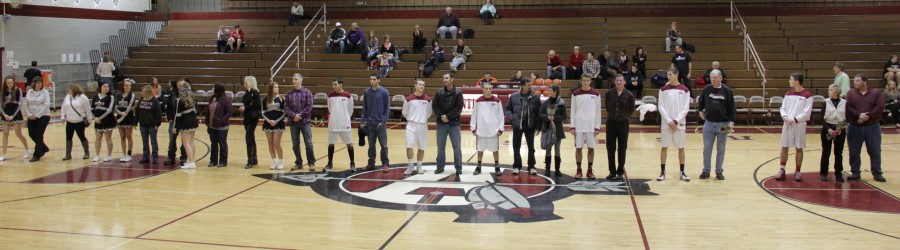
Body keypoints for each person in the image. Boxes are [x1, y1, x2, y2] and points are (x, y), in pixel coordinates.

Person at [846, 74, 886, 182]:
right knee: (854, 151)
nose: (855, 83)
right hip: (855, 126)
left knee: (875, 150)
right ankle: (855, 172)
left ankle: (877, 172)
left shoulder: (875, 93)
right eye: (854, 81)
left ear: (865, 82)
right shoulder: (850, 93)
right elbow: (848, 106)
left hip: (872, 126)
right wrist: (858, 115)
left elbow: (880, 106)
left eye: (857, 81)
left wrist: (868, 116)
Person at [698, 70, 735, 180]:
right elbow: (701, 102)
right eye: (711, 77)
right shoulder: (707, 89)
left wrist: (731, 121)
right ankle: (706, 171)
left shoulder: (727, 91)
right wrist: (700, 111)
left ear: (720, 78)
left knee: (721, 149)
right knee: (707, 149)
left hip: (723, 124)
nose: (713, 79)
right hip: (708, 124)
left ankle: (719, 172)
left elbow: (732, 107)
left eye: (715, 77)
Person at [775, 73, 813, 182]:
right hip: (787, 123)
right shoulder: (788, 94)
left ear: (797, 81)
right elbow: (783, 108)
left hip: (799, 125)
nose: (789, 81)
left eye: (791, 79)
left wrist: (795, 119)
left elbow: (807, 114)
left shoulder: (807, 95)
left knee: (799, 148)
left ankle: (797, 171)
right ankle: (782, 170)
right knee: (784, 146)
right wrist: (785, 117)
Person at [657, 68, 691, 182]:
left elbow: (686, 108)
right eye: (667, 75)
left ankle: (682, 171)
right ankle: (662, 171)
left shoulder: (685, 90)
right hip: (666, 124)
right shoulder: (663, 90)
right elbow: (660, 107)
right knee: (664, 147)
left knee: (681, 148)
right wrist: (669, 121)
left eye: (670, 75)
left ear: (676, 75)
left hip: (679, 124)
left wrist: (676, 121)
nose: (668, 77)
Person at [505, 77, 541, 175]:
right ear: (522, 85)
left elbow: (539, 113)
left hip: (530, 125)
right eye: (528, 85)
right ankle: (517, 166)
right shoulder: (513, 96)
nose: (530, 86)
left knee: (531, 147)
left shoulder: (535, 96)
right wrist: (513, 118)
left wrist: (538, 127)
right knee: (516, 146)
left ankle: (531, 166)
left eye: (531, 84)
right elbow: (507, 109)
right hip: (518, 125)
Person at [570, 74, 602, 179]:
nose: (586, 82)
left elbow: (598, 112)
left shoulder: (596, 94)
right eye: (584, 80)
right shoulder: (575, 94)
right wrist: (572, 126)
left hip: (591, 126)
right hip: (579, 126)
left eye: (588, 80)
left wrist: (597, 126)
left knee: (591, 148)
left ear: (590, 81)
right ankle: (579, 170)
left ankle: (590, 170)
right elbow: (573, 111)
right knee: (578, 148)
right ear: (581, 81)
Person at [470, 83, 505, 176]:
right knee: (480, 150)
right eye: (486, 88)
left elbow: (501, 116)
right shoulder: (478, 101)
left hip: (493, 131)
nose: (488, 90)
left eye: (490, 88)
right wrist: (473, 128)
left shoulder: (497, 101)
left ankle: (497, 166)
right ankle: (478, 166)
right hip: (481, 131)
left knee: (495, 150)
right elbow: (474, 115)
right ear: (483, 89)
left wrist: (501, 129)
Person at [605, 75, 635, 180]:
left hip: (623, 124)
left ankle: (620, 171)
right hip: (611, 123)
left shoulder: (629, 95)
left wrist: (624, 116)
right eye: (617, 80)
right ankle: (612, 171)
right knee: (610, 148)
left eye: (620, 80)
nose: (618, 82)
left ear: (624, 82)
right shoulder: (609, 93)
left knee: (622, 148)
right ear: (614, 82)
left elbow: (631, 109)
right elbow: (607, 107)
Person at [433, 73, 464, 175]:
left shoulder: (458, 93)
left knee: (456, 146)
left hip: (454, 123)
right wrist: (442, 116)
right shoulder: (439, 92)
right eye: (443, 78)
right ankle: (440, 167)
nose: (444, 80)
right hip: (441, 123)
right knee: (440, 147)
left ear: (452, 79)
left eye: (446, 78)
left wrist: (448, 117)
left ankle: (458, 168)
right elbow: (435, 106)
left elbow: (459, 108)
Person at [285, 73, 316, 171]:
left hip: (305, 122)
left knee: (308, 143)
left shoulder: (307, 92)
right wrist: (294, 115)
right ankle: (298, 162)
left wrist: (300, 115)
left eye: (295, 79)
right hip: (293, 122)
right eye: (292, 79)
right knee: (295, 144)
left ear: (301, 81)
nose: (293, 81)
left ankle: (311, 163)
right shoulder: (288, 94)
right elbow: (286, 107)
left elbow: (309, 106)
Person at [325, 78, 356, 173]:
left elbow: (350, 110)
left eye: (335, 84)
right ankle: (330, 163)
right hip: (333, 123)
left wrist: (345, 118)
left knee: (349, 143)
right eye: (332, 85)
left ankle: (352, 163)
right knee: (331, 144)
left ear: (341, 84)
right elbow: (330, 108)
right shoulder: (330, 96)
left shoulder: (348, 96)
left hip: (344, 124)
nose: (333, 86)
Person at [361, 74, 390, 172]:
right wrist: (362, 121)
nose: (372, 81)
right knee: (371, 145)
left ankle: (385, 164)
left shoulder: (384, 92)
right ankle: (371, 163)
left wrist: (383, 121)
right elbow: (364, 107)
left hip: (380, 124)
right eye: (370, 79)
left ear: (379, 80)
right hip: (370, 123)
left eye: (374, 79)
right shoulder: (366, 92)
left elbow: (387, 108)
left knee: (384, 145)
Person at [403, 80, 432, 175]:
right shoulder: (408, 99)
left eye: (423, 85)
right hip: (411, 125)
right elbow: (405, 112)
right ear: (415, 85)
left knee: (421, 147)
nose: (421, 86)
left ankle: (419, 166)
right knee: (409, 146)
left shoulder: (428, 99)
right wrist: (412, 119)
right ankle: (410, 165)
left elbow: (429, 113)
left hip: (422, 125)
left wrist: (421, 119)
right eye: (420, 84)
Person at [819, 84, 846, 182]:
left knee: (838, 152)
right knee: (826, 151)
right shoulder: (825, 102)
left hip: (839, 129)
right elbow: (821, 118)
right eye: (829, 90)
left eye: (831, 90)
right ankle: (823, 173)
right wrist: (828, 129)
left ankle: (838, 173)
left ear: (837, 91)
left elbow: (846, 117)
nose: (829, 91)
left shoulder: (844, 102)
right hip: (828, 128)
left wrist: (840, 128)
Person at [0, 76, 30, 161]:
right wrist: (4, 114)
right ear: (5, 83)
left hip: (15, 113)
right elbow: (1, 105)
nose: (9, 84)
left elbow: (20, 104)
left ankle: (27, 149)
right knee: (5, 134)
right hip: (5, 113)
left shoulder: (18, 90)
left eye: (11, 83)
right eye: (8, 83)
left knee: (18, 133)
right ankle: (4, 154)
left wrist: (13, 115)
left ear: (13, 83)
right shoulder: (3, 91)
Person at [539, 84, 566, 177]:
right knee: (548, 149)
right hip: (547, 128)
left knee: (557, 149)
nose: (548, 92)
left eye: (550, 90)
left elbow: (564, 116)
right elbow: (540, 114)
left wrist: (554, 118)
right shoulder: (545, 103)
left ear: (555, 91)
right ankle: (547, 169)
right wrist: (547, 117)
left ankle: (557, 170)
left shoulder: (561, 103)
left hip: (557, 129)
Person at [23, 77, 51, 162]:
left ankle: (37, 154)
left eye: (40, 83)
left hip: (43, 116)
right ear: (33, 83)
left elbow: (46, 105)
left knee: (38, 134)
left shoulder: (45, 92)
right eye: (37, 83)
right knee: (31, 134)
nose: (39, 84)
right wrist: (29, 115)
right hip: (31, 116)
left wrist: (37, 115)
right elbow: (26, 104)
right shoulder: (29, 92)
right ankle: (44, 148)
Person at [173, 82, 199, 169]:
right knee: (191, 142)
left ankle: (191, 162)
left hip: (185, 122)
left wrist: (175, 127)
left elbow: (178, 115)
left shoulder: (180, 100)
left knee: (186, 143)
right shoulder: (193, 97)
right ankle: (191, 160)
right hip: (193, 121)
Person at [204, 84, 232, 167]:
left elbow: (229, 112)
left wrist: (222, 120)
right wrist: (207, 122)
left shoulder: (226, 99)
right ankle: (213, 161)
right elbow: (208, 110)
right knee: (213, 143)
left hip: (222, 126)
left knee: (222, 143)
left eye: (214, 87)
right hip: (212, 125)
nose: (212, 89)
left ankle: (223, 161)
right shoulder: (212, 98)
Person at [240, 76, 262, 169]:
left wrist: (246, 107)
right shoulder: (247, 92)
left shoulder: (255, 92)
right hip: (247, 117)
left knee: (248, 138)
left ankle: (250, 161)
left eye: (245, 81)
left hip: (253, 118)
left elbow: (257, 105)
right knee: (251, 137)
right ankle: (254, 158)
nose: (243, 83)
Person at [263, 83, 287, 170]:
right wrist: (269, 121)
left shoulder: (281, 99)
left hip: (278, 123)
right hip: (268, 123)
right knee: (270, 143)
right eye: (276, 87)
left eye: (278, 87)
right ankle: (274, 161)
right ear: (271, 89)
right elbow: (263, 112)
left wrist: (276, 121)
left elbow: (284, 112)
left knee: (276, 143)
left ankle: (281, 161)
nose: (278, 89)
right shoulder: (265, 99)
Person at [162, 80, 186, 166]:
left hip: (183, 121)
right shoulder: (173, 94)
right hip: (173, 120)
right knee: (172, 140)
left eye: (182, 85)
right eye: (179, 85)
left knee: (184, 141)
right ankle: (171, 157)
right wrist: (169, 118)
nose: (180, 86)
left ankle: (183, 158)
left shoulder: (187, 95)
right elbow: (168, 106)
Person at [135, 85, 161, 164]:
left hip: (152, 125)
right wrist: (135, 122)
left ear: (147, 92)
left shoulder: (155, 101)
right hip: (143, 124)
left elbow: (158, 113)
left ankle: (155, 157)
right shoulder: (141, 100)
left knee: (153, 141)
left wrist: (157, 124)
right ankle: (145, 157)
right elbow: (137, 111)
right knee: (144, 141)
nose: (142, 93)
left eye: (143, 91)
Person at [92, 82, 116, 162]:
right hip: (97, 120)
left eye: (107, 87)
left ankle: (109, 155)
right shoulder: (95, 97)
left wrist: (100, 118)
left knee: (108, 138)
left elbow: (109, 110)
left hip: (107, 120)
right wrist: (95, 118)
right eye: (104, 86)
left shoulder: (110, 97)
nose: (106, 88)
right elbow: (91, 108)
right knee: (98, 138)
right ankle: (97, 155)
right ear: (100, 87)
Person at [115, 79, 138, 162]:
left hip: (128, 117)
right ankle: (124, 154)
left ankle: (129, 154)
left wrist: (122, 117)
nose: (128, 87)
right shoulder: (118, 95)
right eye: (126, 85)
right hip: (120, 116)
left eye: (129, 85)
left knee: (129, 136)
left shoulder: (132, 95)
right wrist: (120, 114)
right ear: (123, 86)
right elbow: (116, 106)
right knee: (122, 137)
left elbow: (129, 107)